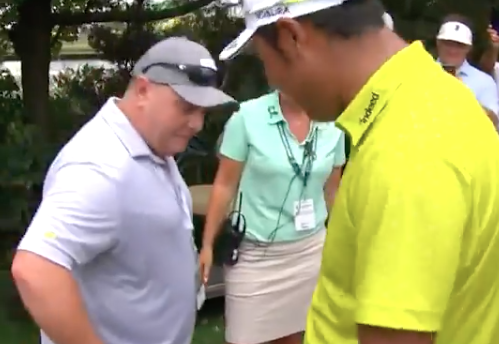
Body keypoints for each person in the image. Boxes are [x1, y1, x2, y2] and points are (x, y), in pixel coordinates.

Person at [220, 0, 499, 344]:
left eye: (265, 61)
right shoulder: (437, 97)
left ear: (291, 37)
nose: (272, 78)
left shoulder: (406, 151)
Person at [11, 37, 237, 344]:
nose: (197, 123)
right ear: (143, 90)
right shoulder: (100, 167)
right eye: (186, 107)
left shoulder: (151, 144)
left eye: (203, 112)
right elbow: (35, 270)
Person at [200, 90, 345, 344]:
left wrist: (345, 242)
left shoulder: (333, 122)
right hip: (254, 254)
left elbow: (333, 190)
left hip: (310, 252)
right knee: (244, 337)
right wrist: (208, 245)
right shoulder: (247, 117)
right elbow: (224, 185)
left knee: (295, 336)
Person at [435, 14, 499, 125]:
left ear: (469, 48)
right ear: (438, 43)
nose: (453, 50)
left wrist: (463, 96)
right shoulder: (419, 73)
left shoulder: (484, 81)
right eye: (448, 43)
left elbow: (493, 122)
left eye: (460, 45)